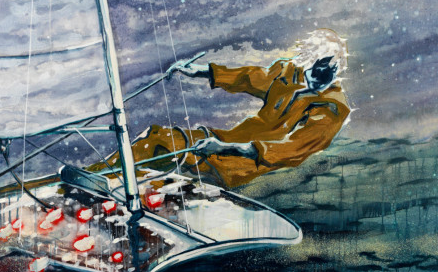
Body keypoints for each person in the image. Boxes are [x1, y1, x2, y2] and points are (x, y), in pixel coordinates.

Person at [89, 29, 351, 188]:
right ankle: (93, 177)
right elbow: (249, 77)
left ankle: (128, 193)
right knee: (157, 137)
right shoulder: (288, 73)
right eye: (313, 68)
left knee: (168, 159)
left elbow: (292, 149)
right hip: (225, 140)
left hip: (242, 162)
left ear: (336, 69)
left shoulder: (332, 108)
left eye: (326, 71)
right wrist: (201, 71)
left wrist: (224, 148)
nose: (316, 77)